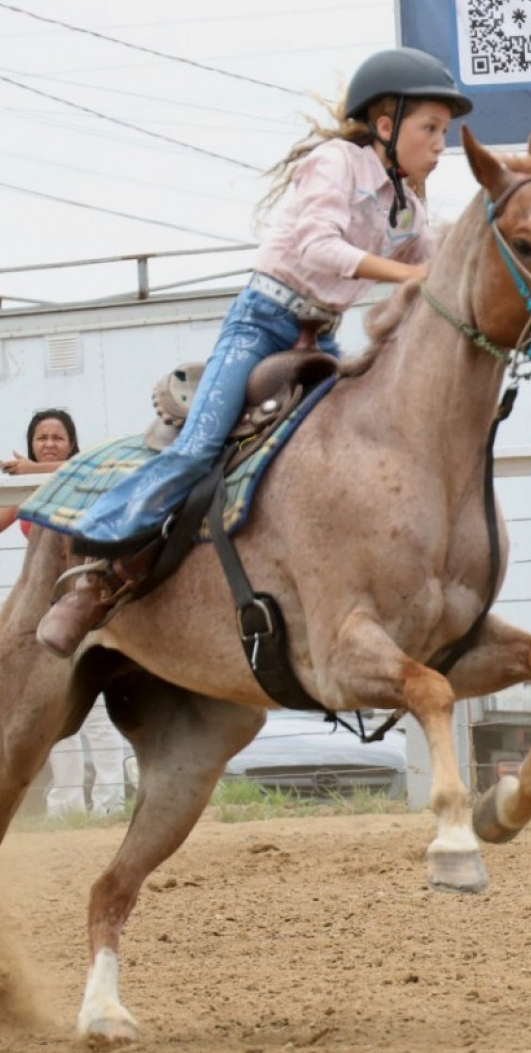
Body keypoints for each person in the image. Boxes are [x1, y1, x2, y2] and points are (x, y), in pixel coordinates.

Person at [35, 45, 473, 657]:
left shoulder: (410, 205)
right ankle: (91, 573)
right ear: (384, 124)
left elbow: (431, 269)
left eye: (444, 132)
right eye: (430, 128)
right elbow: (320, 248)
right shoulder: (336, 163)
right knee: (197, 449)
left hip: (320, 335)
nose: (439, 144)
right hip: (262, 323)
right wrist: (410, 277)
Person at [0, 408, 128, 817]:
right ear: (31, 442)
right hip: (43, 604)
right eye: (42, 437)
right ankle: (66, 804)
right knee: (52, 707)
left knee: (98, 714)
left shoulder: (82, 474)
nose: (49, 443)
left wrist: (32, 467)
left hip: (86, 602)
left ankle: (110, 802)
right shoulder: (30, 485)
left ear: (72, 443)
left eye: (57, 437)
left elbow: (88, 467)